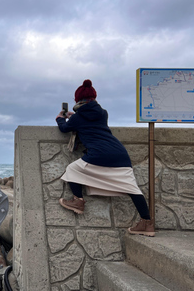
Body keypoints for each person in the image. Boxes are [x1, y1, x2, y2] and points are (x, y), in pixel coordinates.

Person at [56, 79, 154, 237]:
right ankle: (147, 224)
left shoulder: (77, 118)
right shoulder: (103, 113)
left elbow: (64, 128)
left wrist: (61, 118)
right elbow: (91, 122)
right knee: (133, 190)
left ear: (77, 100)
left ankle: (78, 201)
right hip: (120, 155)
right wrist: (76, 117)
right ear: (94, 98)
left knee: (72, 169)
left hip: (99, 154)